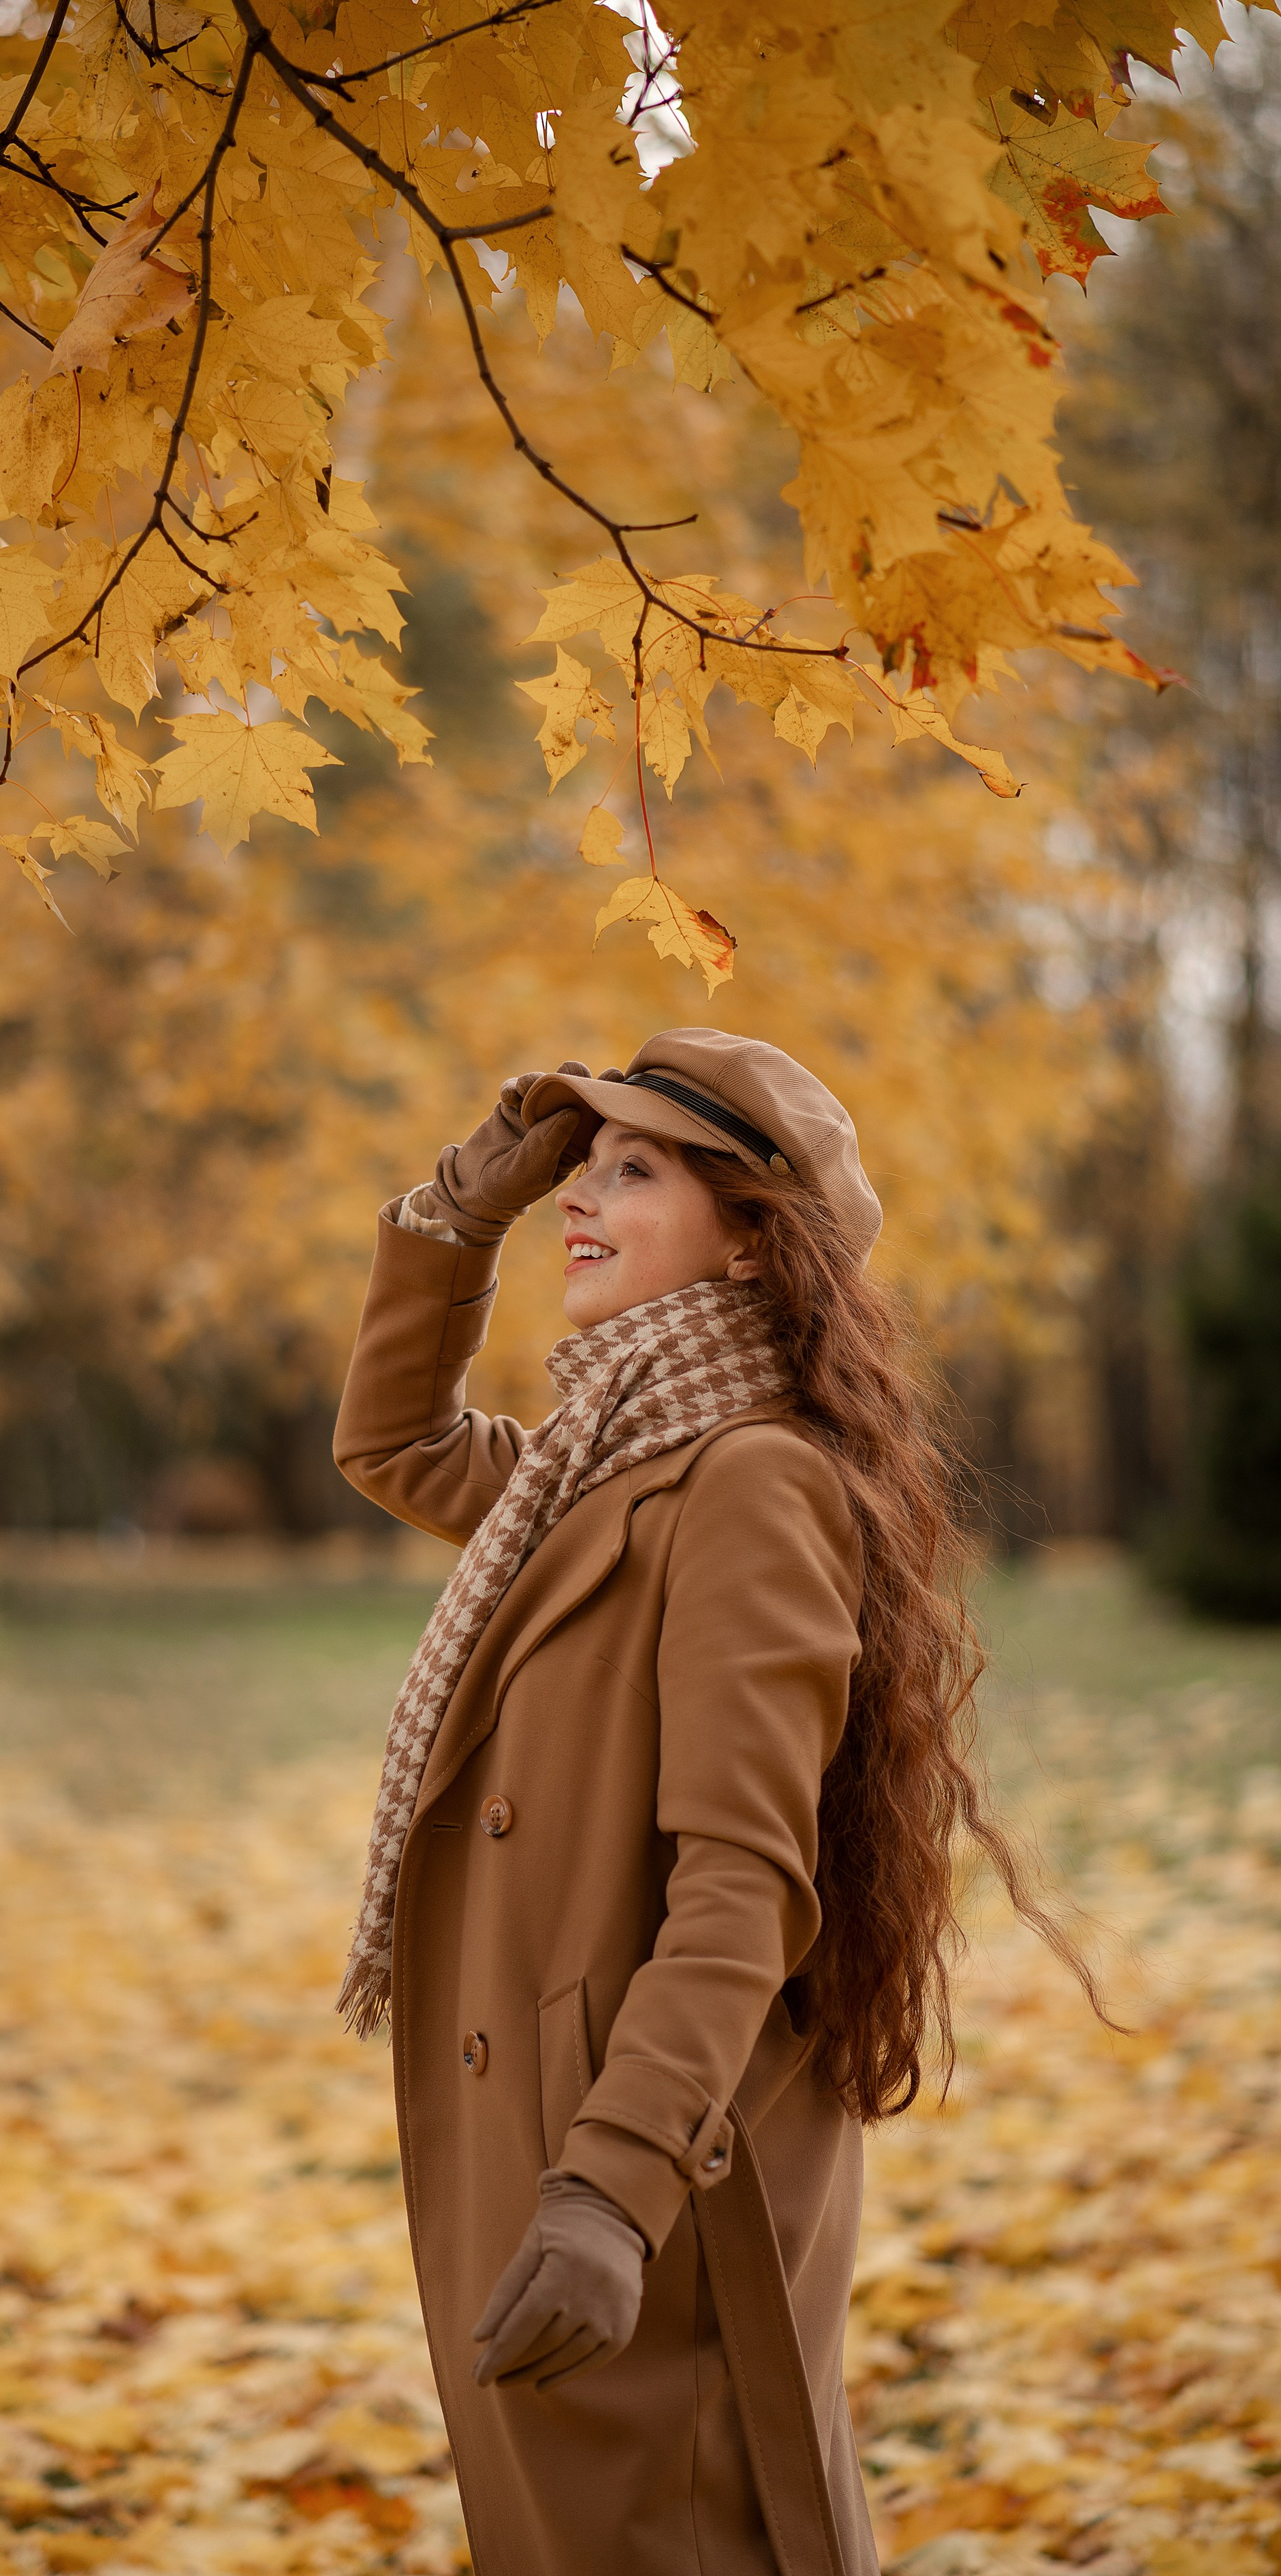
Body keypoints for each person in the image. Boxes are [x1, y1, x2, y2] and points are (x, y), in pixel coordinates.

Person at [332, 1027, 1086, 2576]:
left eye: (632, 1173)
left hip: (653, 2173)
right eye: (580, 1170)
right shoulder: (599, 1468)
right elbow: (394, 1441)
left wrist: (609, 2192)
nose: (576, 1200)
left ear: (750, 1239)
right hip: (563, 2150)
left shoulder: (748, 1482)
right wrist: (458, 1211)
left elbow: (743, 1887)